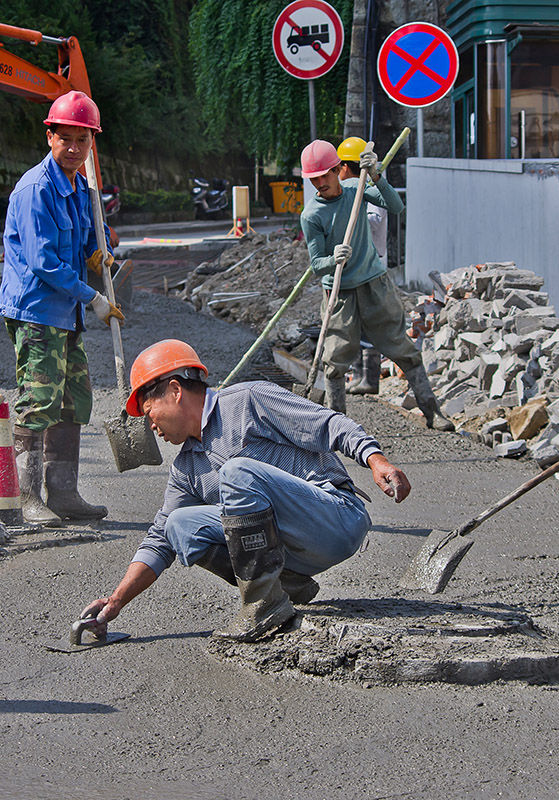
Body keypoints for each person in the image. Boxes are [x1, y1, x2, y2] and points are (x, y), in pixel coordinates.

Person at [79, 339, 412, 643]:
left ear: (175, 390)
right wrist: (117, 599)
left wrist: (375, 459)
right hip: (293, 551)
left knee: (237, 472)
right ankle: (283, 584)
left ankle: (262, 605)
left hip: (335, 517)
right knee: (178, 525)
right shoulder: (186, 469)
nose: (151, 426)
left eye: (150, 412)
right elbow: (159, 541)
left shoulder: (248, 400)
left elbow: (327, 424)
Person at [0, 90, 124, 526]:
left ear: (92, 143)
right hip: (36, 310)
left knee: (73, 399)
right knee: (39, 399)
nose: (73, 149)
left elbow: (93, 233)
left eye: (82, 141)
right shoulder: (35, 190)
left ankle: (64, 493)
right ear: (49, 136)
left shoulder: (79, 188)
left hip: (65, 312)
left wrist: (100, 250)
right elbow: (43, 261)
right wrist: (94, 298)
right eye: (65, 139)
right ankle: (28, 497)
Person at [299, 138, 453, 431]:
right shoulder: (312, 215)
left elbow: (395, 206)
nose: (320, 183)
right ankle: (339, 427)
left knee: (401, 347)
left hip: (374, 285)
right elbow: (316, 265)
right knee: (335, 359)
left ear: (337, 170)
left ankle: (433, 412)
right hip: (339, 292)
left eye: (324, 175)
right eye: (314, 178)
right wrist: (333, 258)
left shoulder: (354, 191)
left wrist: (377, 177)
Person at [337, 136, 386, 396]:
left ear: (346, 167)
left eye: (338, 168)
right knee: (352, 323)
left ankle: (370, 379)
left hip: (370, 266)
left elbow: (374, 222)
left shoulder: (370, 190)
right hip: (352, 266)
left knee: (367, 323)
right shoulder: (348, 193)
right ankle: (357, 375)